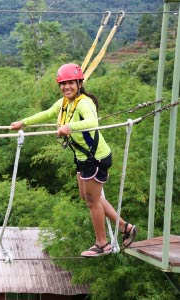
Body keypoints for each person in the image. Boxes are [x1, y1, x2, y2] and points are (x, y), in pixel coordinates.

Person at [10, 63, 137, 257]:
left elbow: (93, 122)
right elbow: (47, 113)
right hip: (82, 158)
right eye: (62, 83)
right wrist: (23, 123)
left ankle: (102, 244)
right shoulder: (64, 103)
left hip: (96, 158)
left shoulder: (84, 102)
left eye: (70, 83)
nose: (66, 87)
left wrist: (70, 127)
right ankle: (124, 226)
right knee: (87, 197)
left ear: (79, 83)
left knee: (93, 201)